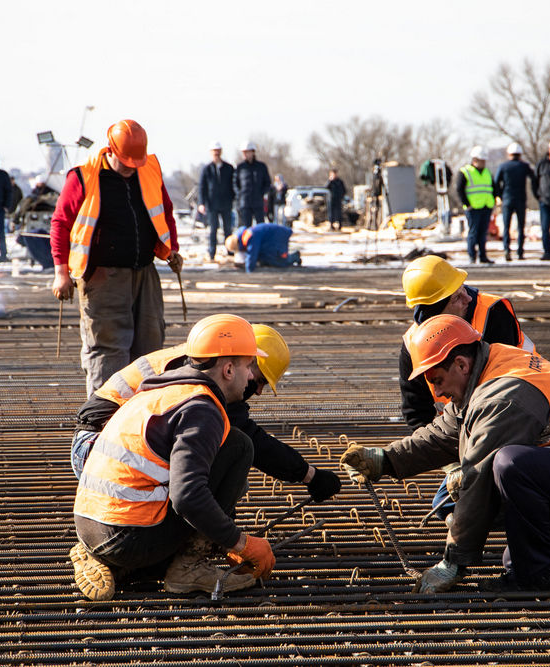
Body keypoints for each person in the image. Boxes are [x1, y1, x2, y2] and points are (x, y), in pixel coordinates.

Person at [342, 315, 550, 594]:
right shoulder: (487, 364)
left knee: (510, 466)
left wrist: (453, 561)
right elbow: (445, 432)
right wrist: (386, 460)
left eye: (437, 380)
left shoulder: (503, 396)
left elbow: (478, 476)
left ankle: (538, 579)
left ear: (461, 364)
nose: (436, 393)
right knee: (512, 553)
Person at [69, 314, 277, 601]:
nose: (252, 377)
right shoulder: (200, 409)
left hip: (90, 524)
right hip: (123, 536)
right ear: (228, 369)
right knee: (238, 447)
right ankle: (188, 567)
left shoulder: (166, 388)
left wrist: (222, 537)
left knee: (217, 463)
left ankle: (107, 559)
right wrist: (240, 542)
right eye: (248, 366)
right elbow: (188, 497)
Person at [69, 324, 342, 501]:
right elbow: (253, 440)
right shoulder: (204, 374)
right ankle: (187, 556)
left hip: (103, 444)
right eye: (259, 380)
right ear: (246, 361)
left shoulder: (208, 357)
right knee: (223, 463)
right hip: (97, 448)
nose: (258, 390)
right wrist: (310, 475)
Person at [50, 119, 183, 397]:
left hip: (144, 273)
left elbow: (165, 210)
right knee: (108, 351)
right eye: (126, 163)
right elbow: (61, 223)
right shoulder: (84, 176)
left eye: (136, 163)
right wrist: (61, 273)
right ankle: (104, 416)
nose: (132, 168)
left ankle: (143, 412)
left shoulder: (148, 169)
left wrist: (172, 248)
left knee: (149, 349)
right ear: (110, 150)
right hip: (103, 278)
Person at [399, 255, 536, 521]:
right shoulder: (413, 346)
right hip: (465, 432)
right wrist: (451, 465)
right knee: (446, 505)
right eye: (456, 297)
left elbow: (503, 398)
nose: (468, 297)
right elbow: (416, 413)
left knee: (496, 489)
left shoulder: (492, 314)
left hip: (522, 418)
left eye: (463, 288)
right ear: (437, 310)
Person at [493, 143, 535, 261]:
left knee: (507, 226)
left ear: (509, 154)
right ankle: (520, 252)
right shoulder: (524, 166)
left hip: (507, 199)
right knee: (520, 226)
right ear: (520, 154)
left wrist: (499, 195)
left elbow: (496, 183)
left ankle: (507, 250)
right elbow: (534, 178)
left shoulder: (503, 166)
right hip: (520, 199)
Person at [456, 146, 496, 263]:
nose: (483, 163)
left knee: (483, 233)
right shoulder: (465, 171)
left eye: (484, 161)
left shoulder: (487, 172)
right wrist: (467, 204)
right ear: (474, 160)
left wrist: (494, 201)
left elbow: (493, 188)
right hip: (473, 208)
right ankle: (472, 256)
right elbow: (459, 189)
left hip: (486, 206)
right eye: (481, 160)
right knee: (473, 232)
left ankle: (483, 256)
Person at [197, 141, 236, 260]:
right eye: (214, 151)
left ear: (221, 151)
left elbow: (234, 185)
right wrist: (201, 203)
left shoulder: (229, 168)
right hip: (212, 204)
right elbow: (202, 187)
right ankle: (212, 253)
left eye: (218, 151)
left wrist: (234, 198)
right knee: (213, 229)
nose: (216, 153)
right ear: (211, 153)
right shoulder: (207, 169)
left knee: (228, 229)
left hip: (226, 203)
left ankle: (230, 251)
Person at [225, 222, 300, 272]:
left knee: (281, 261)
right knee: (265, 259)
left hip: (279, 236)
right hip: (271, 239)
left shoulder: (249, 237)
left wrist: (248, 270)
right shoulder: (244, 235)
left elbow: (252, 254)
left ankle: (295, 256)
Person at [233, 142, 271, 228]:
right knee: (246, 228)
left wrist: (261, 193)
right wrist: (240, 194)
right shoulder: (240, 167)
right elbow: (235, 183)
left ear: (253, 152)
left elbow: (267, 183)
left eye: (247, 152)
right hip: (245, 203)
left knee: (261, 227)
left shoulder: (261, 166)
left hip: (258, 202)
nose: (245, 154)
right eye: (243, 152)